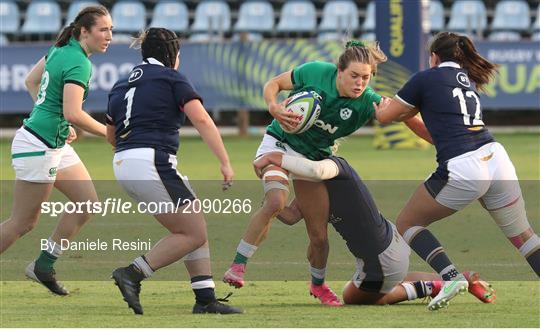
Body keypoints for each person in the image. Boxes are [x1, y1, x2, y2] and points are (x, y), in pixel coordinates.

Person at [223, 40, 432, 306]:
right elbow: (273, 84)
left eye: (365, 78)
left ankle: (318, 285)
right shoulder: (315, 72)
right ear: (338, 71)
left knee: (318, 235)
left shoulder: (369, 101)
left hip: (313, 159)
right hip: (278, 143)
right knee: (276, 201)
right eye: (354, 76)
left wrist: (434, 138)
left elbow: (405, 116)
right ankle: (238, 266)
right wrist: (274, 107)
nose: (360, 83)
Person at [373, 31, 539, 311]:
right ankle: (451, 278)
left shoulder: (425, 78)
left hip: (464, 167)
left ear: (434, 57)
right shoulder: (466, 80)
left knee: (407, 224)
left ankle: (451, 277)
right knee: (525, 238)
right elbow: (436, 136)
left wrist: (380, 101)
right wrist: (408, 115)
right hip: (496, 158)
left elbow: (384, 116)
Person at [106, 27, 242, 315]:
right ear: (172, 54)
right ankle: (132, 273)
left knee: (193, 226)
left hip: (123, 163)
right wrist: (225, 161)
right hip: (152, 161)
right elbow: (202, 120)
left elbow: (111, 134)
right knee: (192, 232)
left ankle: (205, 298)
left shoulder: (121, 83)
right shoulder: (171, 77)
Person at [253, 152, 495, 306]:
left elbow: (317, 172)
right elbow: (292, 215)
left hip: (383, 257)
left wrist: (274, 157)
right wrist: (271, 201)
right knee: (384, 283)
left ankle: (433, 286)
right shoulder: (314, 189)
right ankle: (455, 279)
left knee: (353, 297)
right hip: (389, 245)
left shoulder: (334, 168)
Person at [0, 5, 113, 296]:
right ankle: (43, 266)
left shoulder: (62, 48)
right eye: (103, 29)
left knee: (87, 204)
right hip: (38, 145)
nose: (109, 35)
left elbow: (32, 82)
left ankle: (44, 266)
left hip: (53, 142)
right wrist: (110, 134)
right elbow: (74, 113)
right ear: (84, 31)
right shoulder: (78, 61)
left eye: (111, 29)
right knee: (23, 223)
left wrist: (60, 118)